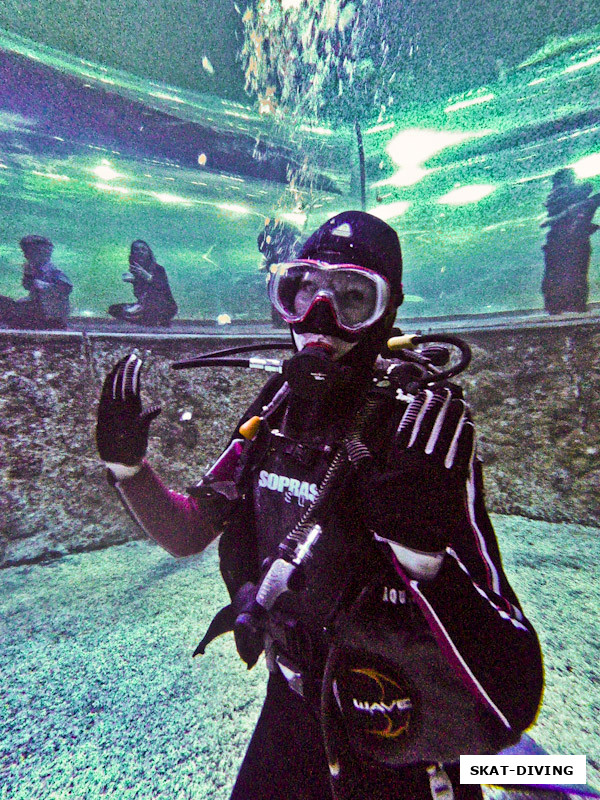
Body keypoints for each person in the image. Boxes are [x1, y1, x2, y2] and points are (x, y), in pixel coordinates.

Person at [95, 211, 543, 800]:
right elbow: (187, 532)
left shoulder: (418, 435)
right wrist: (128, 470)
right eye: (301, 291)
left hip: (398, 720)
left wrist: (423, 561)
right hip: (293, 696)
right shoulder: (275, 410)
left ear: (388, 312)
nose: (319, 321)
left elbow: (512, 685)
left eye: (353, 297)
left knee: (504, 754)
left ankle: (531, 769)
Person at [541, 168, 600, 314]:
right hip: (570, 243)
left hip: (562, 243)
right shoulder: (577, 199)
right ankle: (570, 306)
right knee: (572, 276)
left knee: (564, 276)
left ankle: (562, 307)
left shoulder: (559, 200)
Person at [0, 235, 72, 329]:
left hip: (49, 315)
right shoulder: (34, 269)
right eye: (24, 252)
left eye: (28, 252)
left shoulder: (53, 271)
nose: (25, 256)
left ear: (42, 252)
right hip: (38, 309)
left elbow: (66, 287)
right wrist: (28, 276)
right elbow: (28, 286)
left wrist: (39, 284)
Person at [108, 240, 178, 327]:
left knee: (151, 310)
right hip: (144, 306)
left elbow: (162, 288)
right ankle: (149, 321)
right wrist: (134, 281)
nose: (140, 252)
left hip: (163, 307)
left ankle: (156, 321)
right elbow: (140, 293)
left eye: (143, 249)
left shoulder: (159, 269)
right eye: (136, 249)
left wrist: (147, 276)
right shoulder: (135, 271)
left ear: (149, 253)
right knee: (114, 309)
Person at [257, 218, 303, 326]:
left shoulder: (290, 242)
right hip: (279, 274)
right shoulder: (272, 242)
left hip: (286, 274)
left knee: (283, 297)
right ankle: (280, 322)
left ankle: (283, 321)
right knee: (278, 297)